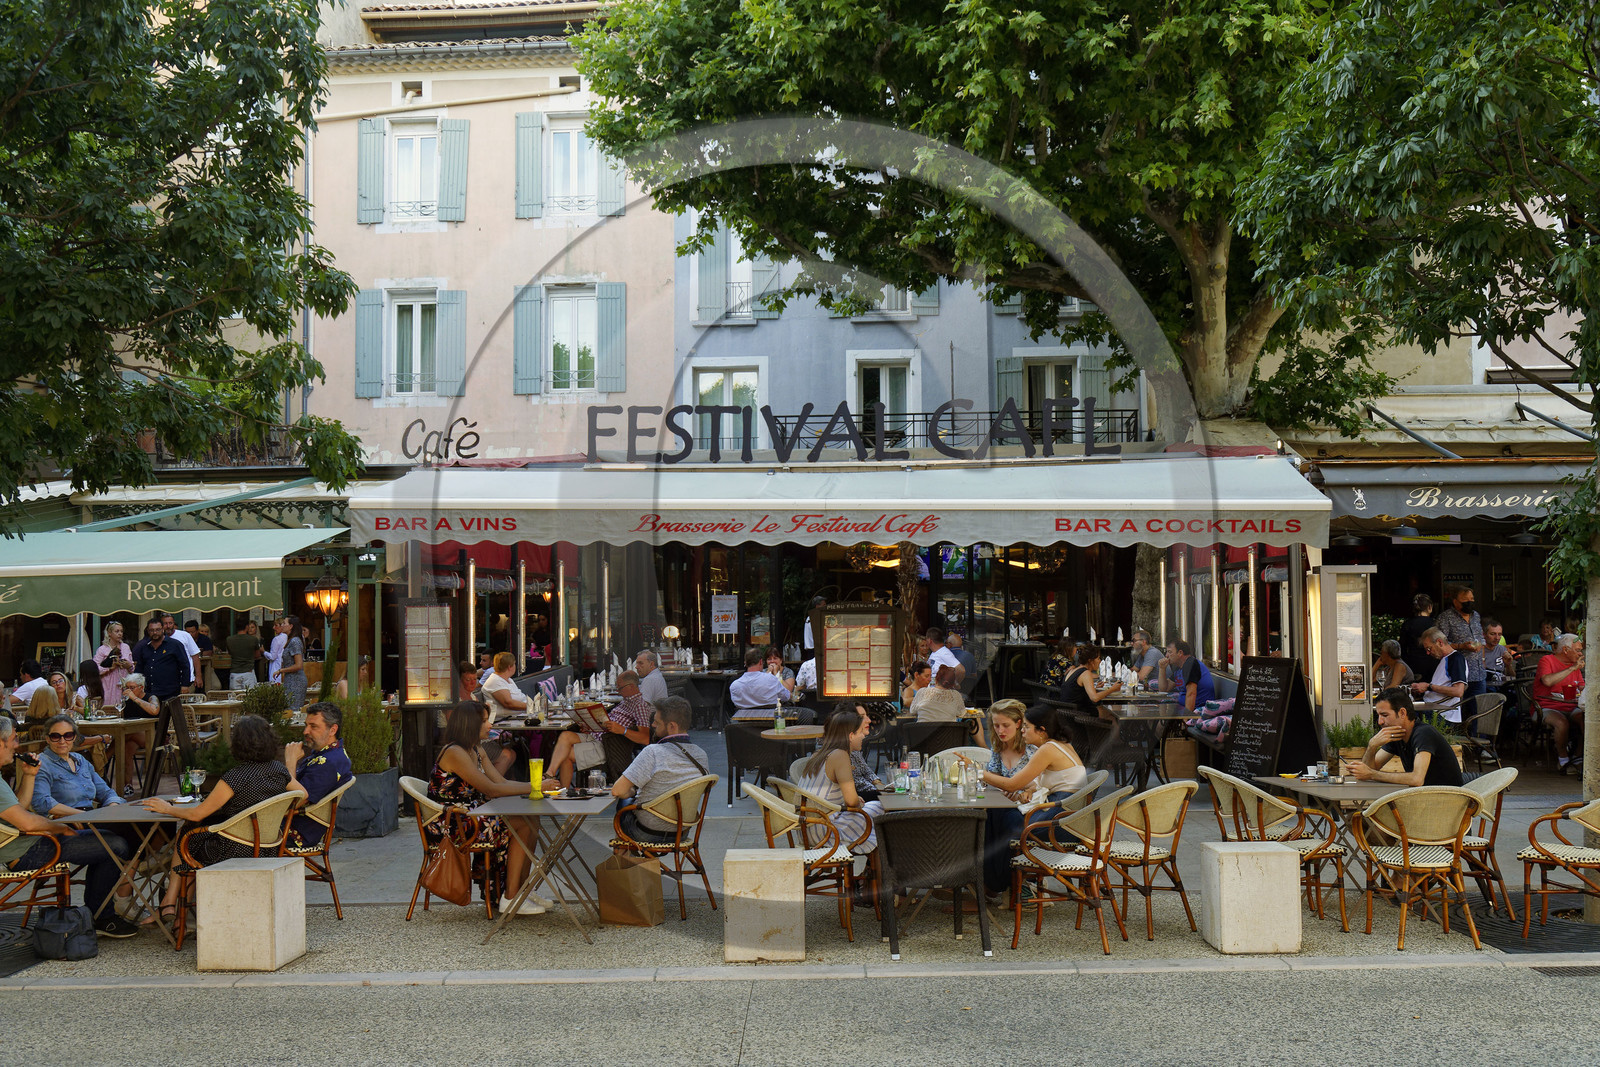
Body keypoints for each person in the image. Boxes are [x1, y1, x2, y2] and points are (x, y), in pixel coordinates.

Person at [142, 714, 293, 926]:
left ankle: (169, 905)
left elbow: (197, 813)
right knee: (192, 838)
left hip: (232, 850)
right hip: (269, 846)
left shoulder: (236, 777)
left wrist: (167, 808)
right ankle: (176, 915)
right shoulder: (279, 771)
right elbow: (301, 795)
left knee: (186, 836)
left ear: (238, 744)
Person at [0, 717, 138, 938]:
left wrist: (28, 775)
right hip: (25, 849)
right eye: (15, 739)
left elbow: (20, 808)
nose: (17, 745)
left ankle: (111, 904)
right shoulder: (43, 764)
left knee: (121, 837)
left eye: (68, 735)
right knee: (115, 844)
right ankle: (102, 915)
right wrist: (59, 827)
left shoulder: (81, 762)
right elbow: (28, 819)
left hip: (32, 841)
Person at [424, 701, 544, 915]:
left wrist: (538, 785)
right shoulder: (455, 752)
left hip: (470, 815)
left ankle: (521, 890)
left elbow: (501, 782)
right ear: (469, 724)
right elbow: (492, 790)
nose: (490, 725)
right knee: (523, 823)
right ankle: (510, 897)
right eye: (484, 721)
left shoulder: (476, 749)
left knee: (531, 819)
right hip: (451, 824)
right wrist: (536, 786)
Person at [960, 704, 1088, 862]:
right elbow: (1060, 780)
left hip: (1058, 823)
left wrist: (975, 770)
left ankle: (995, 878)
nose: (1022, 730)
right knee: (998, 814)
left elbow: (1011, 785)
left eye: (1026, 727)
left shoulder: (1047, 749)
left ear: (1041, 730)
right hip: (1071, 819)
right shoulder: (1063, 745)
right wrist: (1029, 790)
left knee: (996, 815)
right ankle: (1000, 877)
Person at [611, 696, 710, 844]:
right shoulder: (701, 755)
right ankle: (635, 862)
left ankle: (625, 862)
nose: (652, 725)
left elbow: (617, 791)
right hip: (681, 832)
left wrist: (632, 792)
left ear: (672, 726)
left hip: (646, 832)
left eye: (657, 722)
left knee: (624, 802)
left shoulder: (653, 752)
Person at [546, 670, 654, 788]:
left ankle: (563, 791)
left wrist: (623, 730)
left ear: (631, 686)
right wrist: (591, 726)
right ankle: (550, 774)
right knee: (565, 735)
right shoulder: (626, 701)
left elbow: (645, 738)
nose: (617, 690)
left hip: (608, 746)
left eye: (620, 687)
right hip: (598, 735)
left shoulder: (640, 706)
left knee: (565, 755)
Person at [797, 705, 883, 853]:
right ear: (850, 735)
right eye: (860, 732)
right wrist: (857, 801)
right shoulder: (840, 755)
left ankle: (873, 869)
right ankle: (877, 870)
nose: (864, 736)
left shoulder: (820, 753)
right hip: (825, 832)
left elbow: (829, 796)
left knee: (874, 810)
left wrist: (855, 800)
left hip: (807, 830)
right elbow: (851, 802)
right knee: (879, 808)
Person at [978, 699, 1037, 897]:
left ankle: (994, 884)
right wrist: (1000, 787)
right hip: (1004, 807)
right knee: (983, 819)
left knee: (995, 820)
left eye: (1006, 725)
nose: (1000, 730)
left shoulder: (1032, 750)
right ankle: (994, 882)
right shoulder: (998, 749)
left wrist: (1028, 790)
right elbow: (992, 780)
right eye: (996, 725)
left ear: (1019, 723)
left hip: (1031, 812)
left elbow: (1045, 781)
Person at [1349, 687, 1463, 787]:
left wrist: (1372, 774)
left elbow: (1417, 779)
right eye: (1378, 715)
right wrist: (1372, 746)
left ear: (1402, 713)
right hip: (1425, 798)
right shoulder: (1397, 734)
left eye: (1384, 715)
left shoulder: (1423, 733)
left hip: (1447, 802)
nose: (1380, 721)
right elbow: (1368, 771)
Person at [284, 701, 353, 849]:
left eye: (313, 726)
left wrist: (290, 762)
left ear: (332, 730)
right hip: (290, 825)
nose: (305, 731)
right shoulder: (329, 754)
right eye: (306, 725)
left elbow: (293, 801)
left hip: (293, 832)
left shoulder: (328, 763)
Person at [1534, 634, 1586, 771]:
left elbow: (1582, 687)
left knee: (1586, 719)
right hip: (1546, 706)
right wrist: (1572, 668)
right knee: (1561, 722)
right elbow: (1547, 681)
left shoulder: (1576, 665)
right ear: (1566, 650)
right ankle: (1563, 760)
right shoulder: (1547, 660)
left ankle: (1577, 756)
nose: (1581, 653)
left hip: (1572, 706)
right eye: (1578, 650)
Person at [1434, 584, 1487, 703]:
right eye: (1465, 600)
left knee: (1480, 711)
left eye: (1472, 599)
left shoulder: (1476, 616)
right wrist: (1461, 646)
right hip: (1458, 676)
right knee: (1459, 711)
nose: (1470, 602)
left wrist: (1483, 659)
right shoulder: (1445, 618)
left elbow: (1481, 639)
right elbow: (1439, 644)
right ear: (1455, 602)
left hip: (1478, 673)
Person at [1409, 627, 1468, 718]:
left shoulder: (1455, 659)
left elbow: (1458, 691)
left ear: (1440, 642)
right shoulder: (1445, 659)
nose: (1428, 653)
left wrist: (1428, 687)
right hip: (1433, 709)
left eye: (1429, 648)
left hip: (1442, 713)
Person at [132, 617, 192, 701]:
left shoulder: (175, 645)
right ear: (148, 631)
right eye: (152, 630)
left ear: (163, 630)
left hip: (170, 692)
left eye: (158, 630)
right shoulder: (144, 647)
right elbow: (139, 668)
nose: (155, 632)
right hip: (149, 692)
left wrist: (185, 685)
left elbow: (185, 665)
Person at [116, 674, 160, 787]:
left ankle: (105, 757)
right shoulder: (127, 701)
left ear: (141, 687)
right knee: (127, 748)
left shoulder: (151, 697)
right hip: (133, 738)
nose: (129, 691)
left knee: (124, 735)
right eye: (127, 688)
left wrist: (135, 698)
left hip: (152, 736)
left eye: (132, 688)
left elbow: (154, 710)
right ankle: (127, 785)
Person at [1062, 645, 1123, 720]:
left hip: (1067, 713)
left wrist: (1094, 688)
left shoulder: (1073, 670)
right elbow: (1095, 698)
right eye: (1098, 658)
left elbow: (1076, 690)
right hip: (1079, 716)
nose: (1100, 661)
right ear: (1090, 661)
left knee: (1107, 709)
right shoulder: (1085, 673)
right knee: (1117, 712)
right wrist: (1113, 689)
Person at [729, 646, 793, 714]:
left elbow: (735, 704)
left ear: (745, 663)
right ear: (760, 662)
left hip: (743, 721)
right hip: (770, 720)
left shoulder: (734, 686)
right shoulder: (771, 679)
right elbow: (786, 696)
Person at [1159, 640, 1215, 714]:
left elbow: (1191, 693)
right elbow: (1164, 689)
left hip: (1197, 709)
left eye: (1169, 652)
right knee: (1161, 714)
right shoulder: (1179, 667)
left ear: (1180, 653)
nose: (1166, 655)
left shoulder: (1191, 664)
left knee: (1163, 716)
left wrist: (1185, 719)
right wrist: (1162, 669)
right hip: (1182, 705)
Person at [479, 652, 530, 722]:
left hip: (520, 717)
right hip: (505, 722)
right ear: (509, 667)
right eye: (514, 664)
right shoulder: (495, 681)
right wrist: (533, 706)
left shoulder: (509, 679)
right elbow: (508, 703)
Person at [1399, 593, 1438, 681]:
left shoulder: (1407, 624)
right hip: (1433, 664)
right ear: (1429, 607)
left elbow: (1403, 648)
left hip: (1412, 664)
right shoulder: (1435, 624)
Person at [161, 614, 202, 690]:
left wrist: (198, 676)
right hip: (166, 682)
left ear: (174, 623)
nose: (168, 626)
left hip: (187, 680)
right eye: (165, 623)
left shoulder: (185, 635)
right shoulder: (158, 638)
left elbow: (195, 656)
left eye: (170, 623)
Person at [95, 622, 133, 702]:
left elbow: (132, 669)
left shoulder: (125, 647)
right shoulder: (102, 649)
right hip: (107, 685)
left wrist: (128, 665)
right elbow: (95, 669)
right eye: (117, 631)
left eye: (121, 631)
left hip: (123, 684)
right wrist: (110, 667)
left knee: (123, 709)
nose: (120, 634)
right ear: (109, 633)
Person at [225, 618, 262, 692]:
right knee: (250, 697)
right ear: (246, 627)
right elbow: (257, 655)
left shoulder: (229, 639)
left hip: (234, 672)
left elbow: (229, 653)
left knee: (235, 698)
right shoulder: (253, 639)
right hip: (248, 672)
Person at [278, 616, 307, 710]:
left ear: (291, 626)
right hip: (290, 679)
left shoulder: (294, 641)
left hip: (296, 680)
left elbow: (299, 665)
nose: (282, 625)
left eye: (284, 623)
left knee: (293, 709)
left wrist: (281, 670)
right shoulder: (291, 640)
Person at [184, 620, 214, 688]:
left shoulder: (204, 639)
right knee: (189, 689)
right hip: (188, 669)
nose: (190, 634)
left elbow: (209, 652)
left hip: (205, 667)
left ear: (197, 631)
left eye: (192, 632)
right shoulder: (183, 639)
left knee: (216, 685)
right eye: (188, 632)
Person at [802, 594, 826, 659]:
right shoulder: (814, 618)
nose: (825, 607)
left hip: (814, 648)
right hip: (814, 649)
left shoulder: (811, 617)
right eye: (823, 605)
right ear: (817, 606)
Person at [265, 617, 288, 684]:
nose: (273, 628)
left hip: (276, 668)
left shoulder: (277, 639)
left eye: (276, 625)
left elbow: (273, 656)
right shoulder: (288, 637)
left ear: (282, 626)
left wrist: (263, 652)